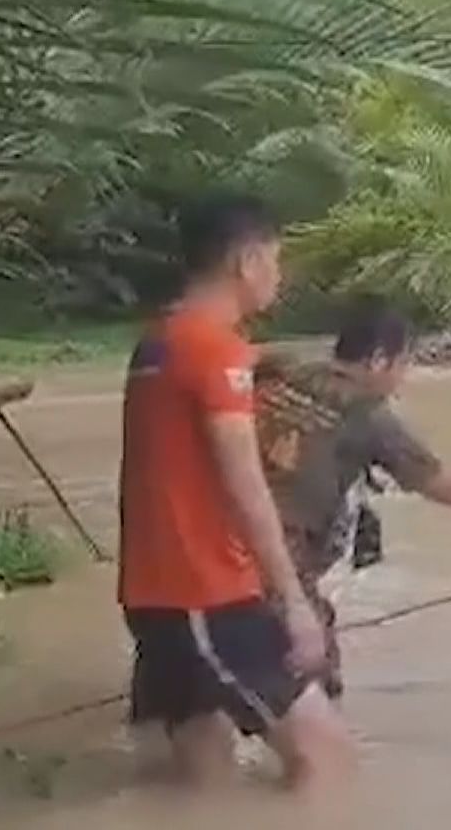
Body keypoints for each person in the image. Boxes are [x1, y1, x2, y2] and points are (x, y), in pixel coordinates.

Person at [118, 194, 351, 792]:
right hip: (208, 594)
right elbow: (245, 485)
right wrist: (295, 603)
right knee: (325, 756)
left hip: (155, 595)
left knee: (205, 776)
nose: (280, 273)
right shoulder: (214, 349)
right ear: (246, 260)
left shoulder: (158, 343)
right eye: (276, 258)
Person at [252, 297, 451, 699]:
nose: (402, 378)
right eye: (402, 364)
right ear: (379, 360)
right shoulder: (370, 415)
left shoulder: (287, 368)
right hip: (279, 564)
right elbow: (447, 488)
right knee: (319, 697)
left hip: (226, 545)